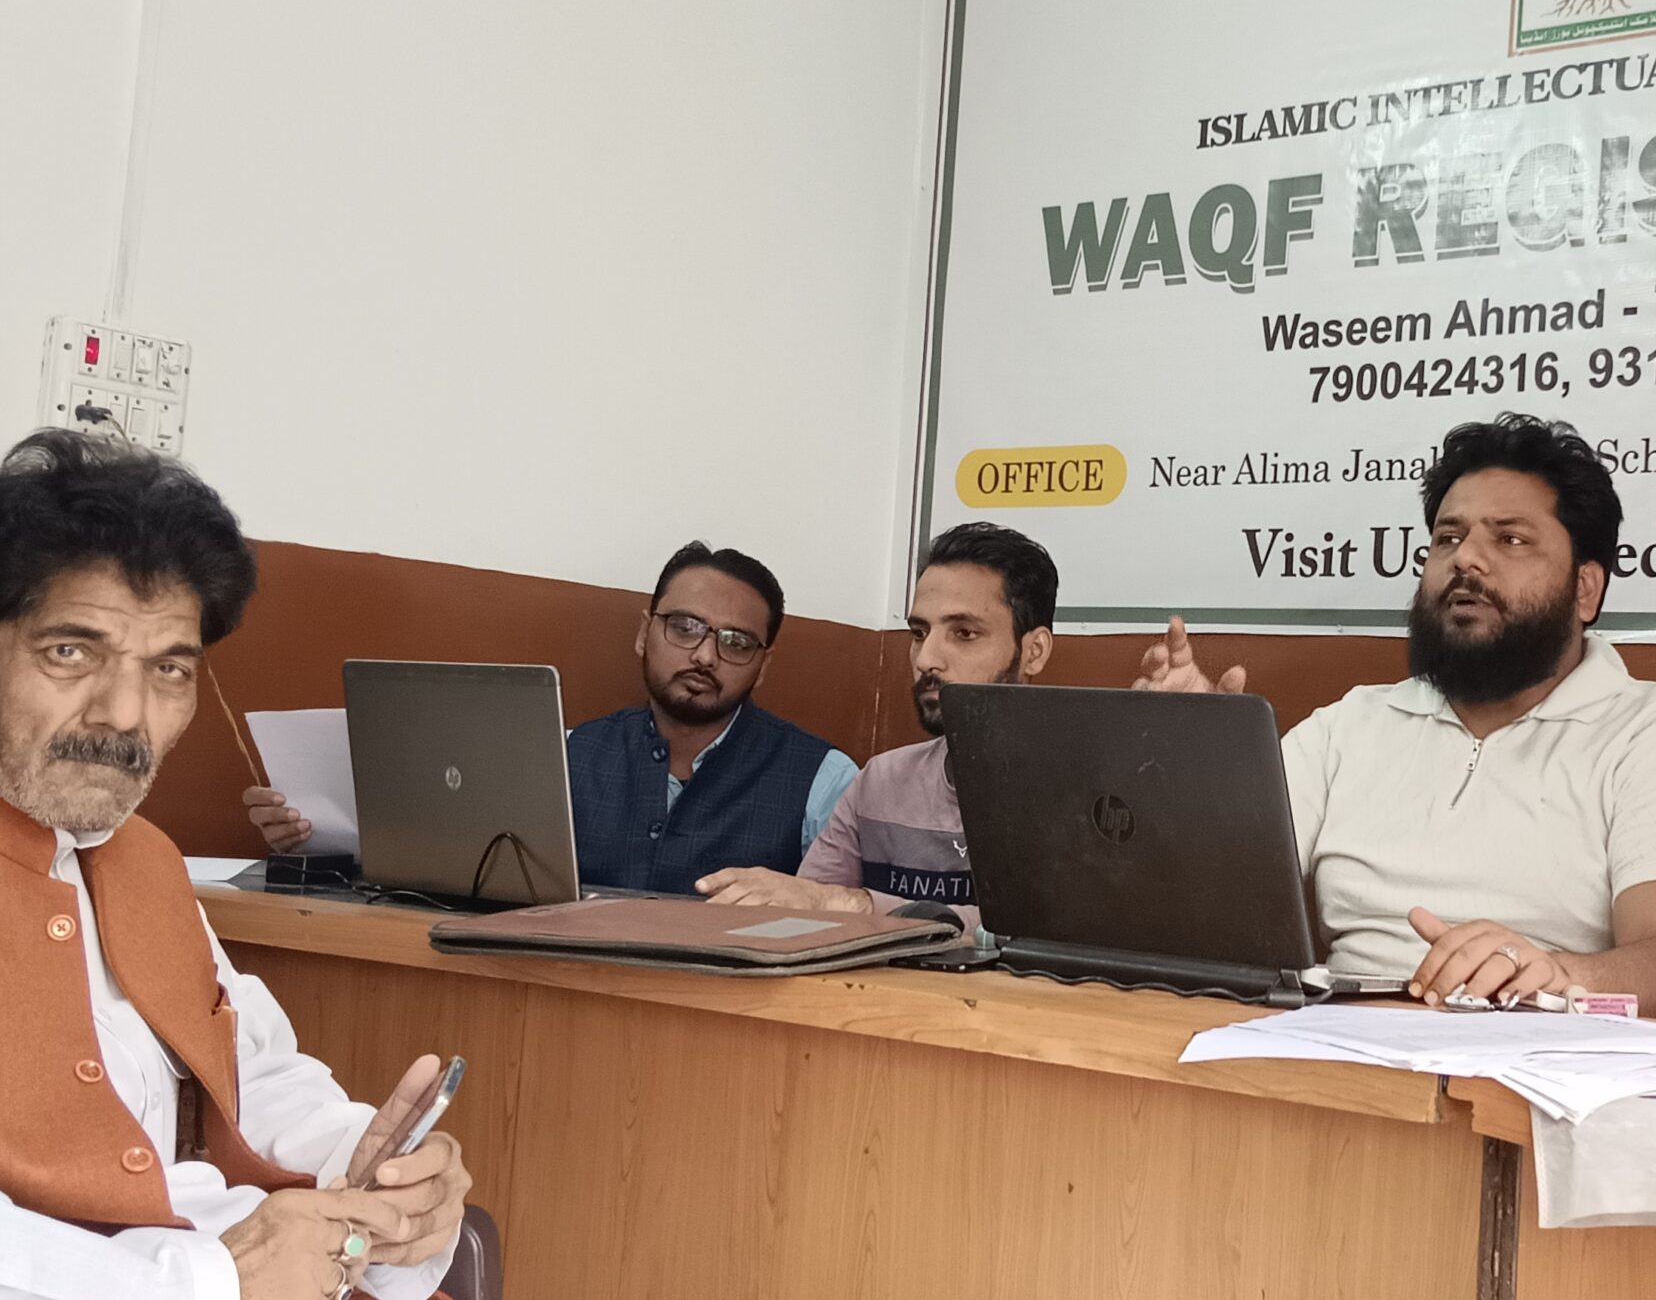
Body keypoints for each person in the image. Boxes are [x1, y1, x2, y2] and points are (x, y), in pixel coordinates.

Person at [0, 430, 472, 1300]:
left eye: (168, 668)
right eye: (71, 651)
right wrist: (213, 1278)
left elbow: (247, 1069)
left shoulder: (144, 861)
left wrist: (363, 1159)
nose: (125, 713)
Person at [1136, 414, 1656, 1023]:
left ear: (1585, 589)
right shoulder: (1350, 725)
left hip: (1540, 1062)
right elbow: (1200, 898)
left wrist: (1556, 976)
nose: (1467, 560)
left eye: (1510, 539)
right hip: (1335, 1051)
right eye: (1448, 538)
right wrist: (1188, 761)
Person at [246, 542, 858, 894]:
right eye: (685, 626)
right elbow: (463, 878)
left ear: (763, 665)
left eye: (736, 642)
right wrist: (315, 840)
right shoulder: (564, 753)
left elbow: (844, 927)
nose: (704, 655)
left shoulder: (823, 779)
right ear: (644, 633)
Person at [695, 523, 1058, 924]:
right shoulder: (880, 782)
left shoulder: (1084, 792)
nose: (926, 659)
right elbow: (806, 915)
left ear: (1034, 651)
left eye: (964, 633)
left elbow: (1051, 932)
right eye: (919, 632)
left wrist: (857, 905)